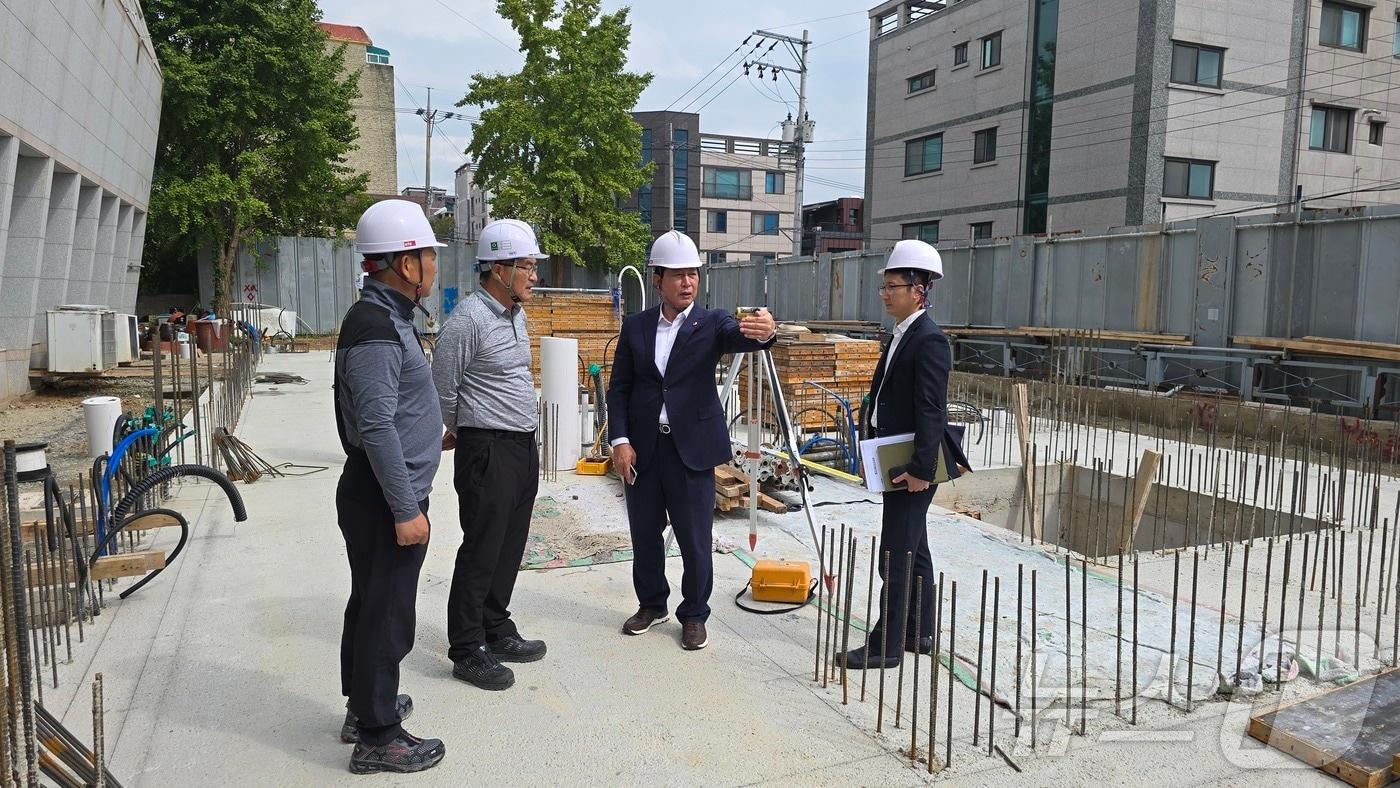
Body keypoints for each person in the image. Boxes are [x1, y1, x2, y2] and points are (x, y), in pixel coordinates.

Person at [607, 230, 777, 651]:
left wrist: (766, 331)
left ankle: (694, 614)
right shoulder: (636, 327)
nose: (687, 283)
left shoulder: (713, 323)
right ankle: (652, 604)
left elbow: (746, 337)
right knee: (644, 534)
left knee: (695, 540)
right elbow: (620, 388)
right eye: (679, 275)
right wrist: (620, 440)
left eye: (693, 275)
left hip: (692, 452)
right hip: (645, 449)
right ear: (658, 279)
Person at [332, 199, 448, 774]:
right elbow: (375, 423)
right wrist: (406, 508)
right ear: (406, 265)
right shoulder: (377, 326)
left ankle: (363, 706)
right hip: (384, 496)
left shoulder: (385, 316)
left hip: (380, 485)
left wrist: (432, 435)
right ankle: (378, 735)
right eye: (429, 255)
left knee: (371, 602)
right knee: (388, 612)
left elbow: (392, 411)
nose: (434, 265)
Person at [432, 218, 546, 692]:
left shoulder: (516, 314)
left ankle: (495, 626)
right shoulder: (468, 321)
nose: (534, 275)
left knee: (509, 544)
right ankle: (466, 647)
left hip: (521, 446)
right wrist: (464, 429)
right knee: (482, 547)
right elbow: (443, 384)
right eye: (527, 266)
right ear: (499, 269)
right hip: (488, 449)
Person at [841, 239, 953, 670]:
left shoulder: (929, 340)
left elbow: (931, 409)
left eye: (893, 286)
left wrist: (921, 469)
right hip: (899, 460)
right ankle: (919, 632)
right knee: (915, 547)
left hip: (912, 466)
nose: (885, 293)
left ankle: (886, 645)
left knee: (896, 552)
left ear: (919, 289)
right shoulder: (903, 334)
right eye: (884, 286)